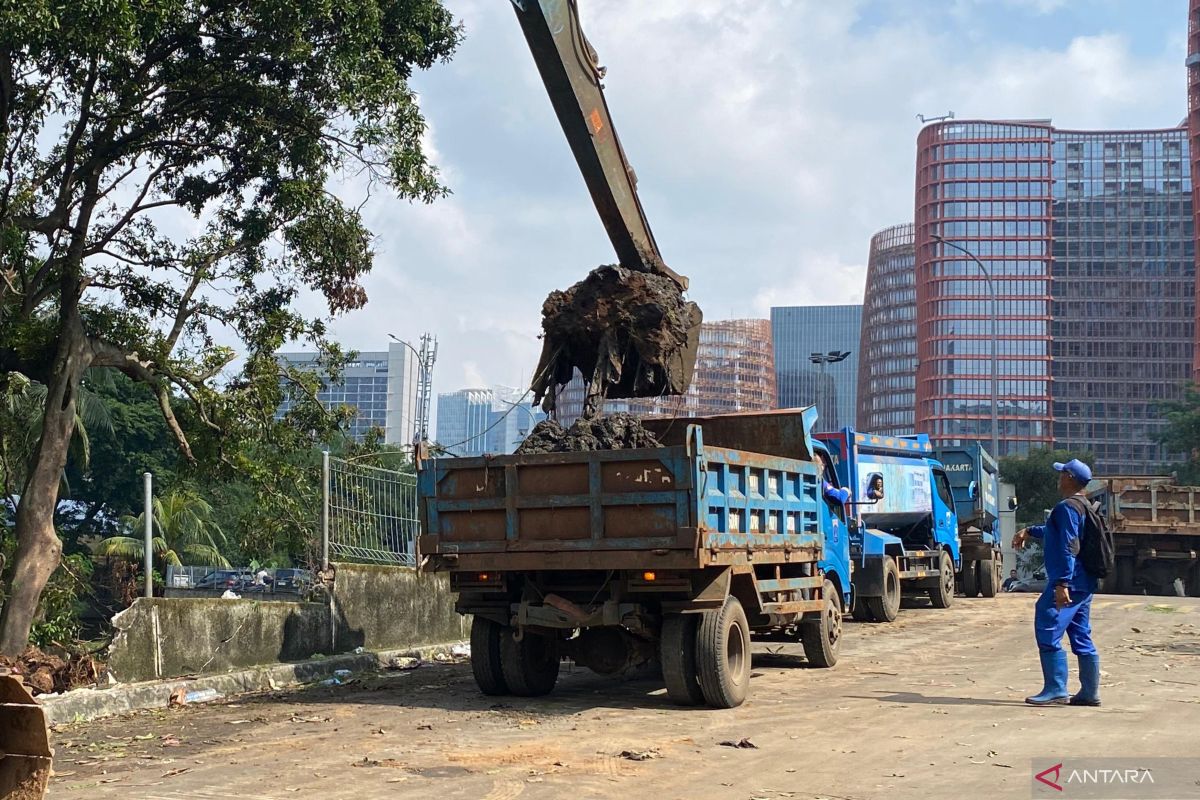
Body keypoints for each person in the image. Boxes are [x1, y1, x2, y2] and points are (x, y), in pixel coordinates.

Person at [1012, 458, 1101, 707]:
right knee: (1081, 635)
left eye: (1062, 473)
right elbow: (1056, 532)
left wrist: (1061, 583)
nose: (1058, 477)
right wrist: (1029, 531)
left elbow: (1067, 544)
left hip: (1069, 581)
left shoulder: (1066, 507)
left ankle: (1056, 688)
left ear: (1069, 479)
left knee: (1048, 627)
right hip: (1085, 582)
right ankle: (1089, 692)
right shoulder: (1085, 506)